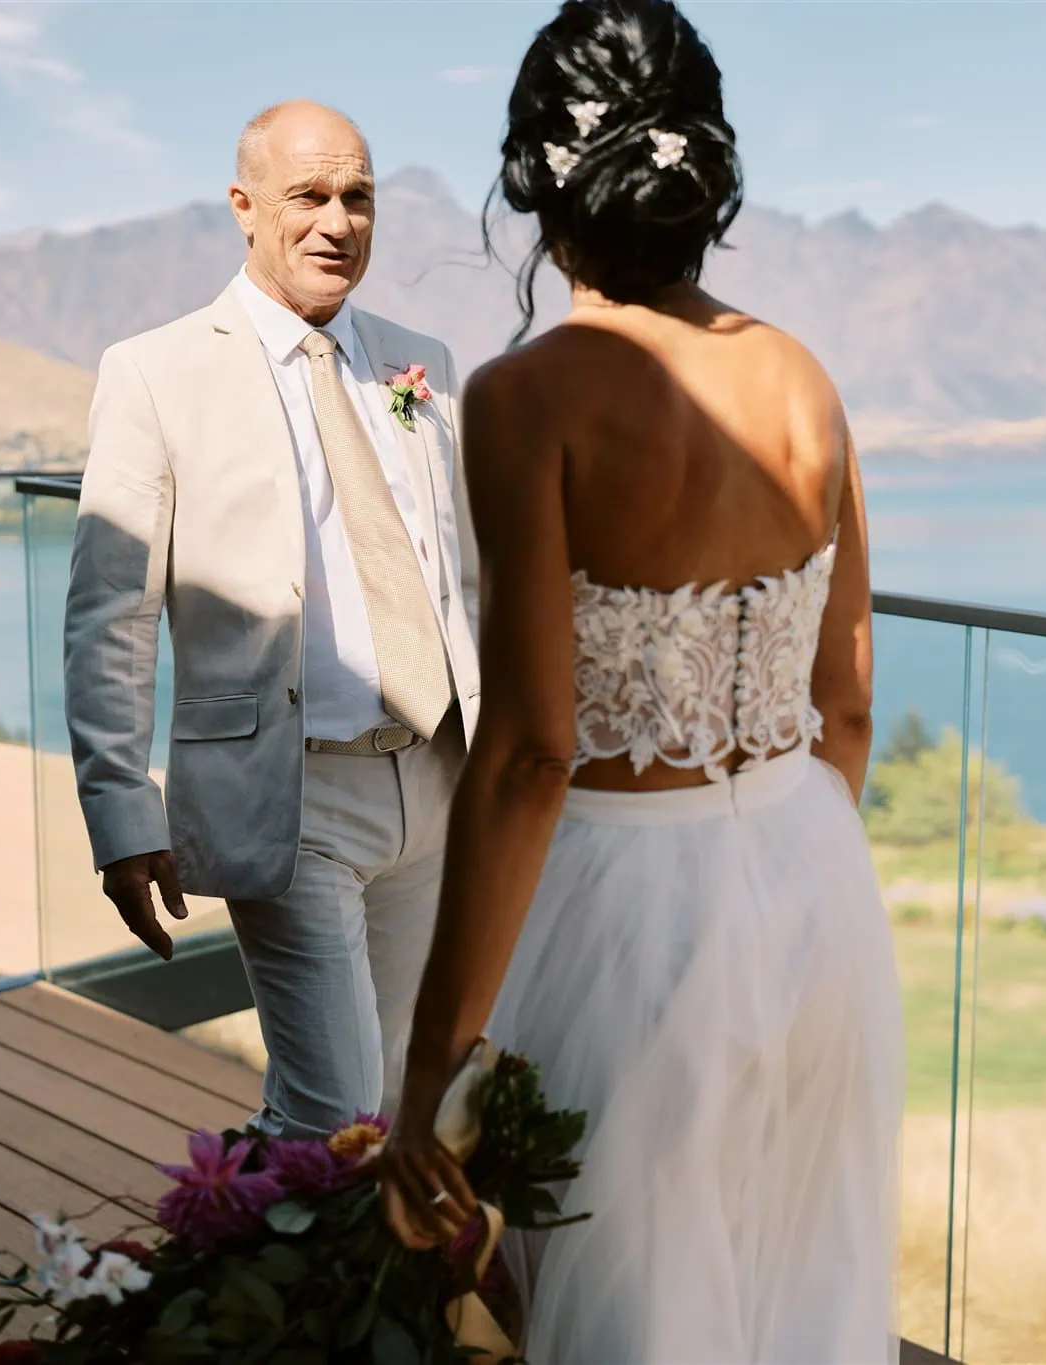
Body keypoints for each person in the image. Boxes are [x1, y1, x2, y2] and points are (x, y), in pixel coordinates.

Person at [375, 1, 904, 1359]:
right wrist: (772, 859)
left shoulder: (529, 394)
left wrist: (433, 1060)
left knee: (625, 1306)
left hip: (622, 908)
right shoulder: (806, 380)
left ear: (535, 177)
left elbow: (532, 753)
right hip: (810, 880)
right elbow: (844, 702)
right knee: (793, 1282)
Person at [63, 101, 481, 1139]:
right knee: (332, 1114)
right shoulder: (155, 372)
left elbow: (462, 577)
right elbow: (113, 612)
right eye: (309, 196)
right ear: (244, 208)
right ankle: (233, 1288)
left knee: (410, 1102)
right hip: (290, 802)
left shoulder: (417, 362)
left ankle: (372, 1301)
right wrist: (122, 813)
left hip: (438, 785)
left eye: (358, 198)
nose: (336, 221)